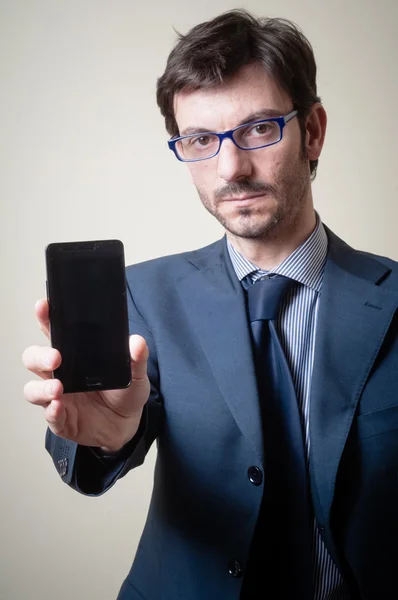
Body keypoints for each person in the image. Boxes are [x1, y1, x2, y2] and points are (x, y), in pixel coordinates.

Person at [22, 9, 398, 600]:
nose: (231, 168)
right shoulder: (144, 296)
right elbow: (102, 443)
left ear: (314, 131)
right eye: (200, 140)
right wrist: (105, 438)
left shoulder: (395, 300)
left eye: (258, 129)